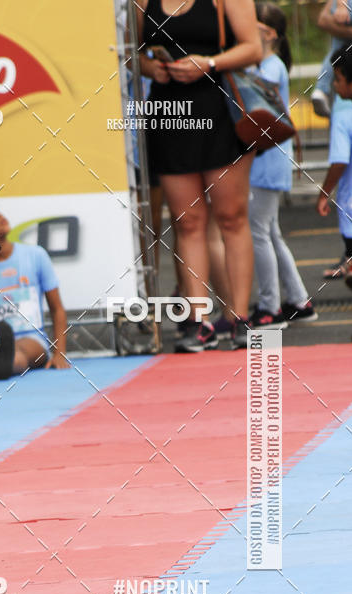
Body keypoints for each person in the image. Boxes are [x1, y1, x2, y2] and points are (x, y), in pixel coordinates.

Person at [135, 0, 262, 352]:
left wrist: (209, 63)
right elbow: (129, 52)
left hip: (220, 106)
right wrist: (150, 69)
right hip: (170, 112)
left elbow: (254, 47)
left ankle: (239, 317)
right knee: (187, 221)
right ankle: (198, 321)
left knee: (231, 217)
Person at [248, 3, 316, 328]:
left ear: (269, 34)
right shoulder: (271, 63)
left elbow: (256, 91)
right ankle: (298, 300)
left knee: (258, 231)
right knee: (270, 231)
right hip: (272, 157)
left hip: (267, 157)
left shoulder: (270, 65)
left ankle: (269, 306)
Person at [0, 200, 69, 379]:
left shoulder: (36, 255)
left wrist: (59, 353)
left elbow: (57, 309)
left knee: (21, 353)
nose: (0, 216)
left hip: (31, 338)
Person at [318, 44, 352, 294]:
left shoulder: (344, 118)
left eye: (338, 78)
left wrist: (324, 192)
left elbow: (339, 161)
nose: (334, 85)